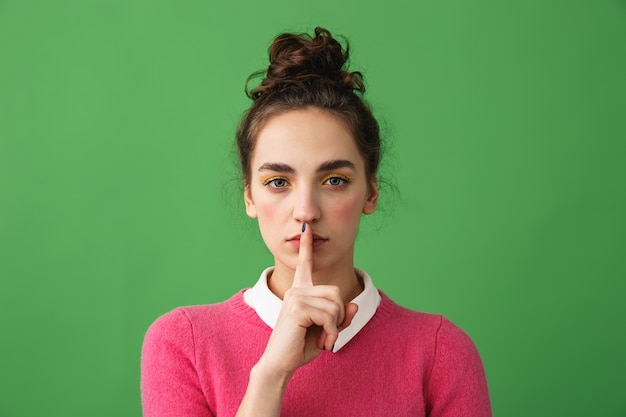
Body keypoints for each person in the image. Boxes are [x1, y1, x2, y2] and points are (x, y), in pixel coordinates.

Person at [141, 27, 492, 417]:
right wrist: (272, 372)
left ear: (371, 193)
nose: (306, 210)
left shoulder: (442, 351)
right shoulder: (183, 341)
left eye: (334, 181)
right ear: (248, 196)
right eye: (278, 182)